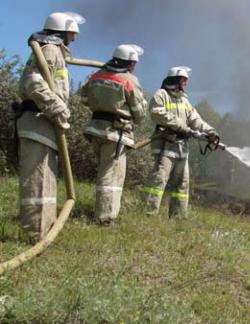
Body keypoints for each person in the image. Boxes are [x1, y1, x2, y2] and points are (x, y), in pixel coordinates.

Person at [17, 12, 85, 242]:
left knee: (46, 179)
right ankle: (35, 234)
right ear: (61, 31)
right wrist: (56, 106)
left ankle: (43, 230)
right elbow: (32, 82)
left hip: (45, 125)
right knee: (38, 180)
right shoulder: (48, 49)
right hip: (38, 122)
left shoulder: (55, 52)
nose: (73, 39)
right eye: (71, 34)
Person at [80, 44, 147, 225]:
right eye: (134, 63)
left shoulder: (97, 75)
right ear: (130, 63)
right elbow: (139, 113)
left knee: (104, 172)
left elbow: (84, 98)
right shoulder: (129, 80)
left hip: (95, 130)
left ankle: (104, 213)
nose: (134, 67)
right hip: (115, 134)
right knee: (111, 175)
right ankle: (105, 218)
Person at [142, 66, 220, 217]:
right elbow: (157, 113)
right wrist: (182, 127)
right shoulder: (161, 94)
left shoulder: (184, 101)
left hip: (181, 148)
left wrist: (210, 132)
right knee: (158, 180)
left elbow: (195, 120)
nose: (185, 83)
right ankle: (147, 214)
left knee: (182, 184)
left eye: (186, 80)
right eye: (183, 80)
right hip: (165, 144)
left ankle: (178, 217)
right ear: (175, 79)